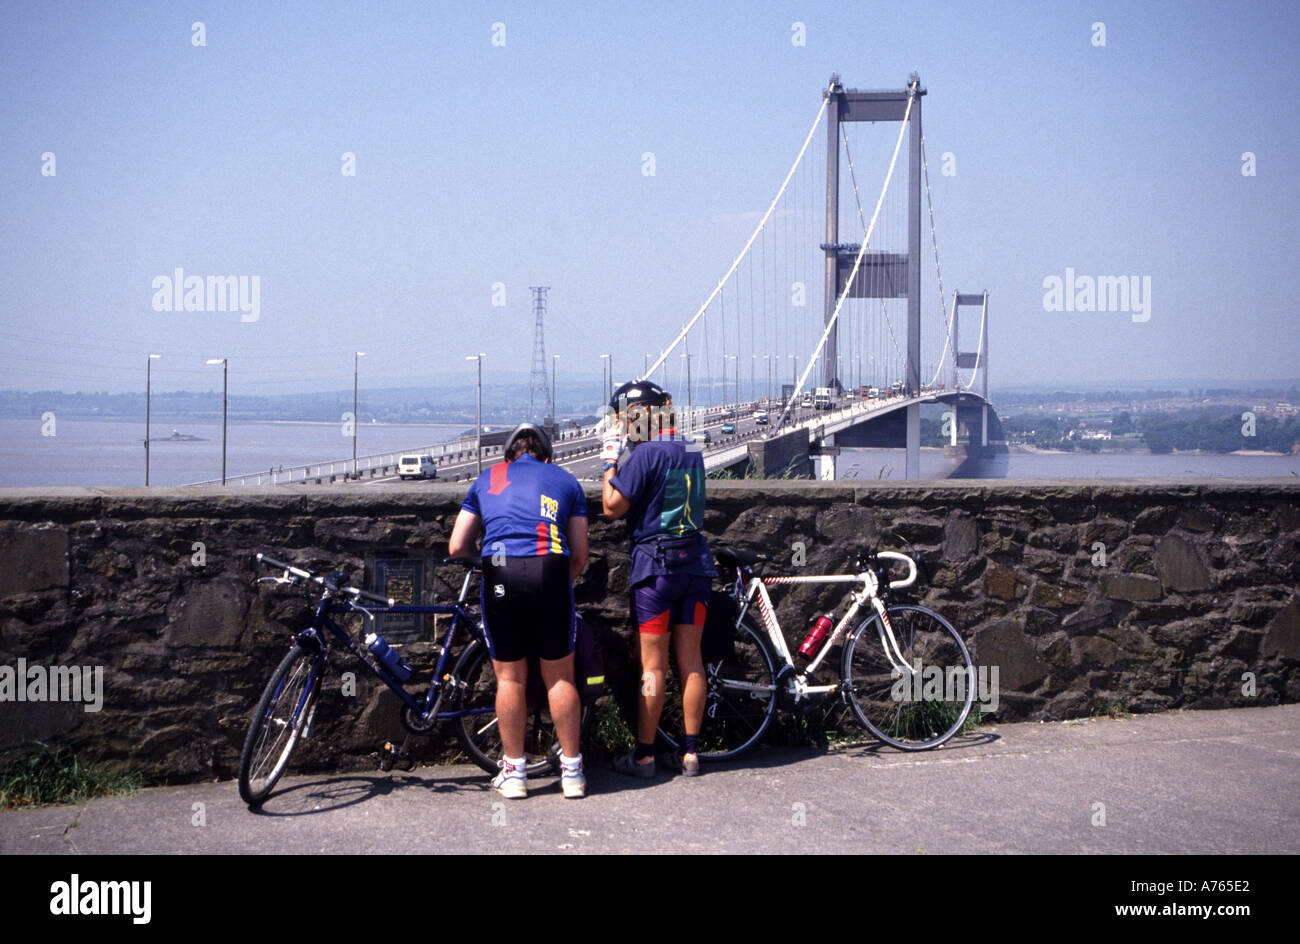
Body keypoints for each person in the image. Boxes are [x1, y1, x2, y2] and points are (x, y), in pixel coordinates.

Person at [448, 423, 589, 799]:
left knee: (510, 679)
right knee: (560, 678)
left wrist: (489, 565)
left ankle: (514, 774)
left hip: (501, 570)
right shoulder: (566, 480)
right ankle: (572, 772)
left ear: (508, 454)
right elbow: (580, 555)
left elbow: (457, 545)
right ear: (546, 454)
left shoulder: (487, 478)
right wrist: (557, 583)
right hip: (551, 571)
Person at [601, 380, 716, 777]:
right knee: (692, 661)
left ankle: (646, 755)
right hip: (696, 566)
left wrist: (609, 461)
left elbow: (611, 506)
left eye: (627, 418)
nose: (625, 425)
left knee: (653, 668)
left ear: (641, 415)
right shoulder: (693, 449)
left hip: (656, 571)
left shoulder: (645, 455)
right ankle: (691, 754)